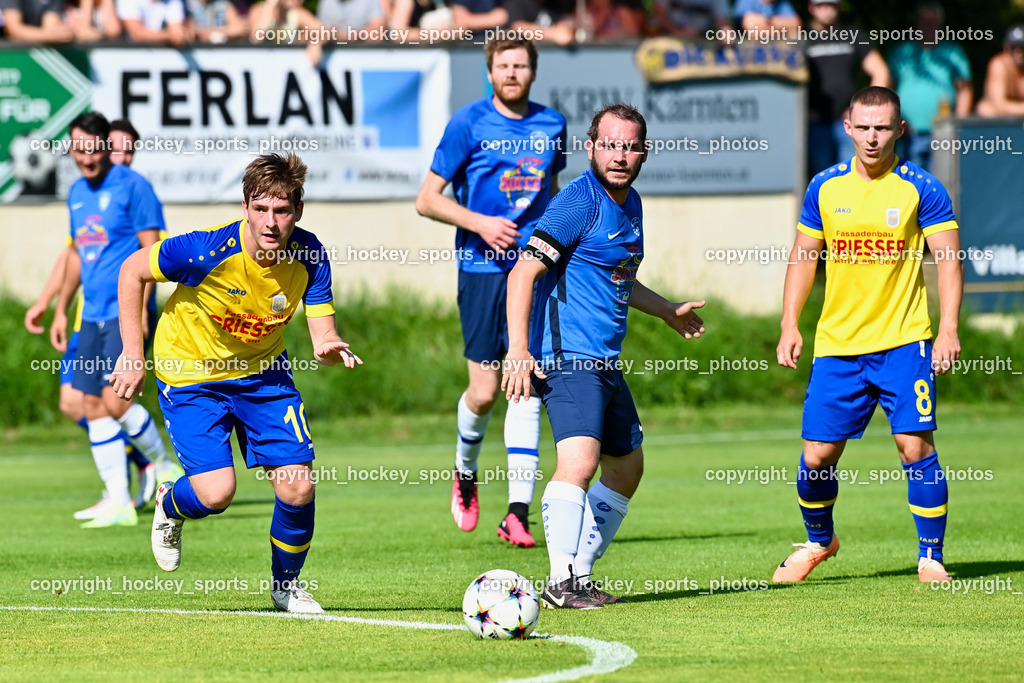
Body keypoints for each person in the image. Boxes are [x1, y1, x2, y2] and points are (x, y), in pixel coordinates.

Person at [111, 153, 362, 614]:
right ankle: (172, 502)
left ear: (298, 211)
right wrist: (132, 353)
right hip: (191, 376)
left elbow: (323, 330)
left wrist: (328, 346)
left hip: (263, 377)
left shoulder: (309, 255)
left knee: (298, 487)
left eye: (282, 210)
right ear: (245, 206)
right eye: (261, 209)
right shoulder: (206, 250)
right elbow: (132, 271)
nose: (271, 222)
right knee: (215, 493)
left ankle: (284, 589)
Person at [502, 104, 706, 609]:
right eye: (609, 144)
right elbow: (522, 273)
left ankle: (580, 575)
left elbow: (618, 276)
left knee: (627, 468)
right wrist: (519, 352)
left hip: (603, 360)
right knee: (581, 462)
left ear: (643, 153)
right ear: (590, 146)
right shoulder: (577, 202)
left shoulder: (630, 202)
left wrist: (665, 311)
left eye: (629, 146)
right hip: (567, 355)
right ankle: (559, 581)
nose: (619, 155)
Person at [774, 86, 963, 584]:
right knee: (816, 455)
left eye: (884, 127)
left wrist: (948, 329)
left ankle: (930, 556)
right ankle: (819, 542)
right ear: (848, 126)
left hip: (905, 342)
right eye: (865, 127)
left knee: (914, 446)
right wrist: (789, 322)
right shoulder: (824, 187)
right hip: (838, 345)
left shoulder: (922, 187)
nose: (873, 137)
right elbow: (803, 258)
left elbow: (948, 261)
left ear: (900, 129)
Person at [416, 37, 567, 549]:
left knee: (525, 377)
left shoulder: (552, 124)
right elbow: (427, 199)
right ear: (490, 71)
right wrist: (479, 222)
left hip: (535, 270)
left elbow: (551, 193)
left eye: (521, 65)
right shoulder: (468, 123)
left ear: (533, 71)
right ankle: (464, 469)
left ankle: (517, 512)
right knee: (483, 393)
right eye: (503, 65)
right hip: (480, 267)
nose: (512, 73)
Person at [49, 112, 180, 528]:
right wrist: (58, 308)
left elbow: (152, 252)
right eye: (79, 149)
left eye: (93, 148)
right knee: (89, 402)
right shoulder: (76, 193)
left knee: (115, 401)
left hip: (123, 313)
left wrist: (141, 312)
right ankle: (121, 502)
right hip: (90, 315)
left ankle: (164, 465)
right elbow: (75, 254)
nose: (86, 157)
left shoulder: (133, 186)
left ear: (106, 146)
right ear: (71, 149)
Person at [804, 0, 890, 175]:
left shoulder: (853, 35)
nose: (827, 10)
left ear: (839, 8)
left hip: (849, 124)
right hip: (814, 124)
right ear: (811, 8)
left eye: (832, 5)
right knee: (822, 181)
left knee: (855, 177)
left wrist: (865, 111)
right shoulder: (800, 38)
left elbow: (881, 71)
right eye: (821, 5)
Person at [887, 2, 971, 171]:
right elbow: (887, 88)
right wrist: (893, 120)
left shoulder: (952, 52)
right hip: (907, 133)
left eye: (933, 22)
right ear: (917, 23)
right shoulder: (902, 52)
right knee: (909, 183)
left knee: (943, 184)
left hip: (944, 133)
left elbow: (965, 90)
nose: (928, 26)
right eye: (924, 21)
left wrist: (958, 124)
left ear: (940, 24)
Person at [976, 25, 1024, 118]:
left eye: (1022, 47)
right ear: (1006, 48)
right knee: (985, 110)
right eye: (1014, 47)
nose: (1019, 52)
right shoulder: (999, 65)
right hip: (999, 126)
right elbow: (999, 107)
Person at [0, 0, 75, 42]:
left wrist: (65, 33)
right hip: (10, 55)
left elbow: (51, 28)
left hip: (35, 52)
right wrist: (50, 35)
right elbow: (13, 30)